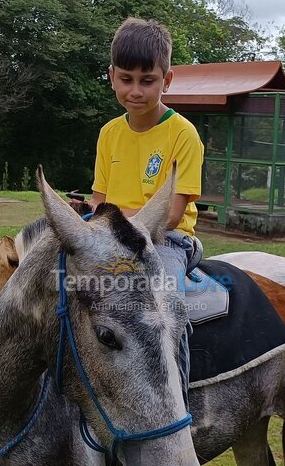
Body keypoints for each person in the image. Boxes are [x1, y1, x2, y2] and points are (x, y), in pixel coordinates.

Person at [87, 17, 204, 285]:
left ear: (167, 80)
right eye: (126, 79)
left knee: (161, 298)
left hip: (168, 241)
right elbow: (98, 201)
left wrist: (109, 215)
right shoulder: (109, 133)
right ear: (112, 77)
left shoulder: (183, 134)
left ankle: (177, 329)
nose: (136, 91)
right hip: (111, 236)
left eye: (147, 80)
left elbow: (171, 216)